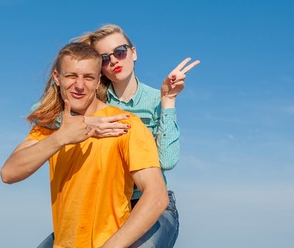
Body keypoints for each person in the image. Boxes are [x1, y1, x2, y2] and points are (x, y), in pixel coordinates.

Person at [1, 42, 169, 248]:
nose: (79, 86)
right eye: (71, 76)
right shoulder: (51, 128)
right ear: (57, 77)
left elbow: (157, 196)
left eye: (88, 77)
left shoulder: (124, 124)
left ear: (98, 80)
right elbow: (8, 173)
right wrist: (61, 137)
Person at [74, 24, 200, 247]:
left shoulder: (155, 99)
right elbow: (44, 114)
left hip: (151, 204)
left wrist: (168, 101)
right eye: (104, 58)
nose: (113, 60)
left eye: (120, 52)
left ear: (133, 52)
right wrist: (87, 123)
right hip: (106, 206)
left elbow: (167, 161)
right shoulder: (93, 102)